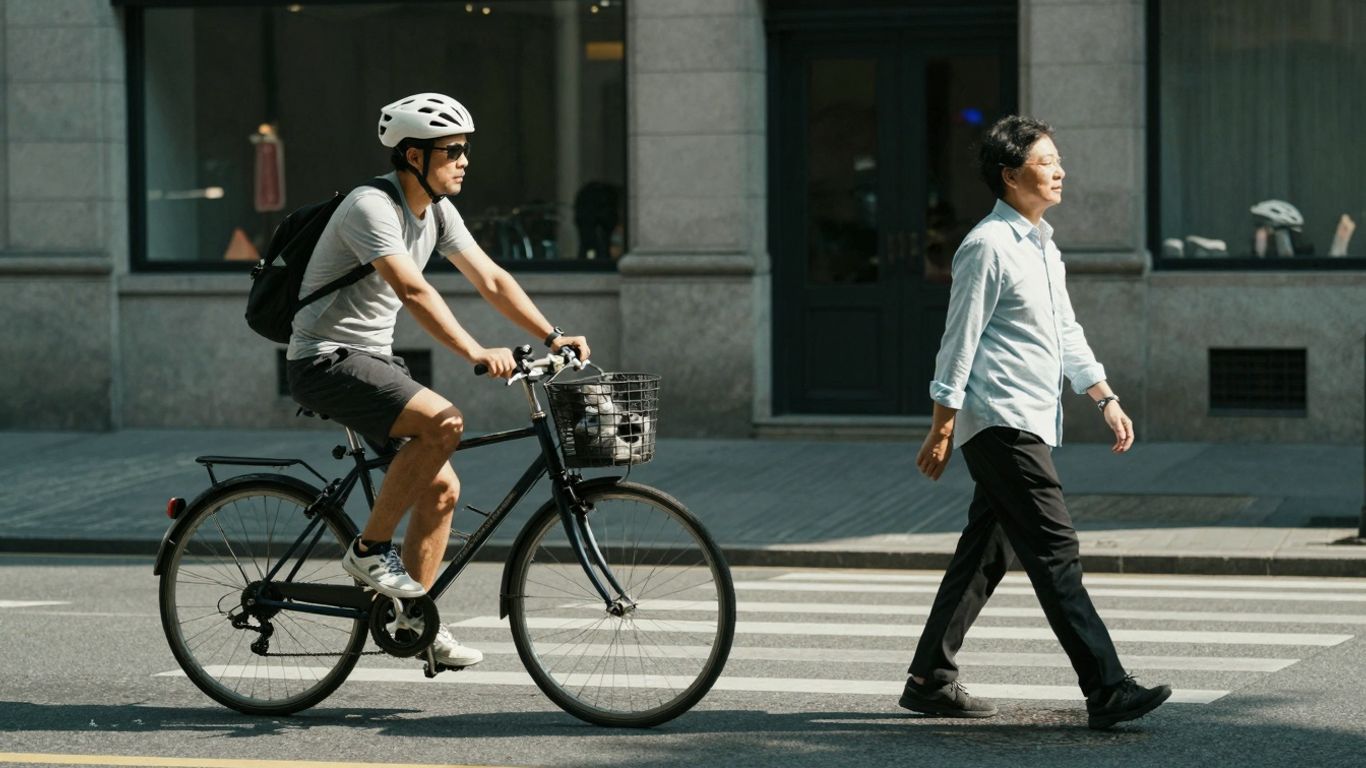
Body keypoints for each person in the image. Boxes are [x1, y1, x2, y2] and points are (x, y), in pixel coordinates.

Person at [286, 93, 590, 669]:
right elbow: (413, 290)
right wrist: (476, 350)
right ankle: (369, 550)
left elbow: (492, 279)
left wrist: (552, 336)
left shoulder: (438, 211)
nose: (464, 160)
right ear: (411, 156)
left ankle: (414, 619)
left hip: (373, 360)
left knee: (443, 489)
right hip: (324, 359)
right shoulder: (369, 207)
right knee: (444, 422)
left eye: (465, 150)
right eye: (452, 150)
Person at [898, 115, 1171, 730]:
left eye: (1057, 159)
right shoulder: (986, 247)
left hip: (1029, 416)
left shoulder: (1043, 243)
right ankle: (1106, 687)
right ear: (1010, 174)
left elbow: (1064, 332)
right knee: (1055, 550)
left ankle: (928, 679)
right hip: (1000, 419)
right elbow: (958, 342)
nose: (1059, 170)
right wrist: (942, 424)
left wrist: (1103, 395)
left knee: (985, 551)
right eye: (1046, 161)